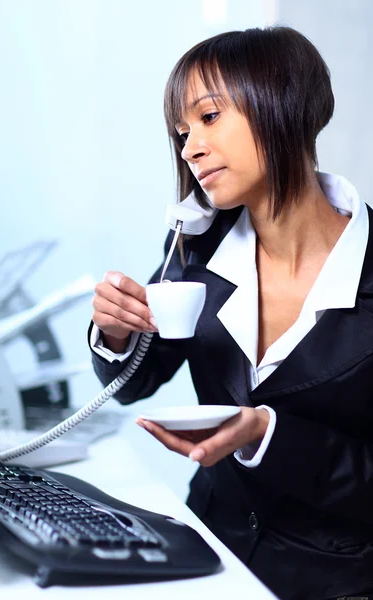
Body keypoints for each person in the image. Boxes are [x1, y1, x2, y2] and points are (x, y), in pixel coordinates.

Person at [89, 26, 373, 600]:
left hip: (338, 581)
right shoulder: (199, 249)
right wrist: (115, 333)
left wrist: (269, 435)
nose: (190, 147)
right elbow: (133, 383)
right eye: (182, 132)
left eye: (209, 117)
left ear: (284, 101)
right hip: (208, 557)